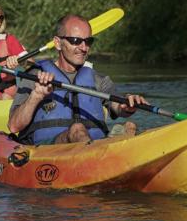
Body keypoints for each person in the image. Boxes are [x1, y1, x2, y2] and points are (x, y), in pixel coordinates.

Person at [8, 14, 148, 145]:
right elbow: (14, 126)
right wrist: (36, 96)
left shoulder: (98, 79)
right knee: (77, 129)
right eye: (76, 41)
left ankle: (108, 154)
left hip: (93, 146)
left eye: (88, 41)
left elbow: (117, 106)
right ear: (57, 43)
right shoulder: (35, 75)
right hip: (48, 148)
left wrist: (127, 105)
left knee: (130, 126)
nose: (83, 48)